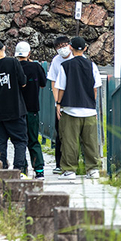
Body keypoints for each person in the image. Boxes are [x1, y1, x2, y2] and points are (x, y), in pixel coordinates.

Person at [53, 35, 102, 178]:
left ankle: (69, 170)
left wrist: (58, 104)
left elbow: (61, 87)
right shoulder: (92, 65)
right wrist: (91, 104)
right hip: (89, 109)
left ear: (70, 48)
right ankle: (93, 169)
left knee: (69, 141)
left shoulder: (65, 66)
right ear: (85, 48)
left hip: (70, 108)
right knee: (90, 141)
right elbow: (95, 88)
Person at [0, 39, 29, 172]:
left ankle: (2, 166)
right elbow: (23, 82)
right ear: (4, 48)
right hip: (15, 108)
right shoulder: (13, 62)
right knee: (20, 140)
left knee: (1, 142)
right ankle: (19, 168)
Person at [15, 41, 47, 179]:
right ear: (29, 53)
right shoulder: (36, 67)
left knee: (19, 141)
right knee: (33, 140)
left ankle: (23, 168)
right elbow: (43, 84)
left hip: (16, 110)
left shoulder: (13, 67)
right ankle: (39, 169)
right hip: (32, 109)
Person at [46, 35, 72, 170]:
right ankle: (59, 164)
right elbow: (53, 82)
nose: (62, 49)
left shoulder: (78, 58)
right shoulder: (56, 61)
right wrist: (57, 102)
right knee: (60, 134)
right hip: (61, 102)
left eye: (64, 45)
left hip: (75, 100)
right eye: (59, 47)